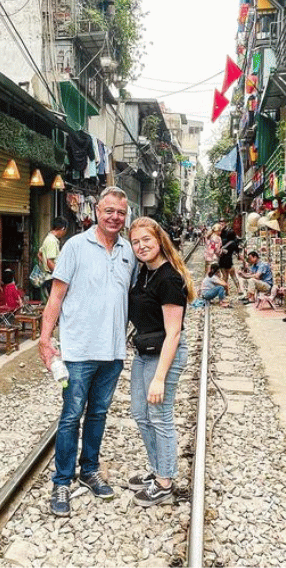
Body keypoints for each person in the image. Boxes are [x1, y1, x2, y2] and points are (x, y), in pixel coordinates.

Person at [38, 187, 136, 517]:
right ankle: (62, 480)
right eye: (109, 211)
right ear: (97, 211)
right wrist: (45, 340)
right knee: (70, 417)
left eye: (120, 212)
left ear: (126, 215)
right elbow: (55, 297)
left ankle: (89, 469)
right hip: (78, 352)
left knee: (98, 414)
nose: (114, 217)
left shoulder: (129, 251)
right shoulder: (75, 247)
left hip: (113, 352)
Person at [127, 217, 195, 506]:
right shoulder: (144, 273)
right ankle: (157, 471)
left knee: (160, 417)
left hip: (164, 355)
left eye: (146, 240)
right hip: (144, 353)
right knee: (141, 415)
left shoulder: (168, 278)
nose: (141, 246)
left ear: (159, 241)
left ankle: (165, 482)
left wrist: (159, 378)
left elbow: (174, 332)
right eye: (135, 242)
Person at [38, 217, 68, 301]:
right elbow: (49, 261)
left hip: (47, 277)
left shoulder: (48, 239)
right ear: (62, 228)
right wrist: (59, 274)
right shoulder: (52, 241)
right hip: (51, 278)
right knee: (55, 303)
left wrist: (43, 266)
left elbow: (39, 254)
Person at [218, 224, 242, 295]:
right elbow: (238, 253)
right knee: (233, 276)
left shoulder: (222, 241)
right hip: (229, 262)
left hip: (221, 261)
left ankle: (226, 292)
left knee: (224, 277)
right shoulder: (234, 243)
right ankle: (239, 289)